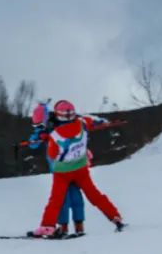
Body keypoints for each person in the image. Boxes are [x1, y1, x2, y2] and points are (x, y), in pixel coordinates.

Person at [27, 99, 124, 238]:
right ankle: (115, 217)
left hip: (62, 172)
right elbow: (92, 121)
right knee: (95, 195)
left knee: (56, 200)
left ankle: (48, 226)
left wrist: (44, 136)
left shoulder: (54, 134)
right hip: (81, 169)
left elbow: (52, 155)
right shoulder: (82, 123)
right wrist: (103, 122)